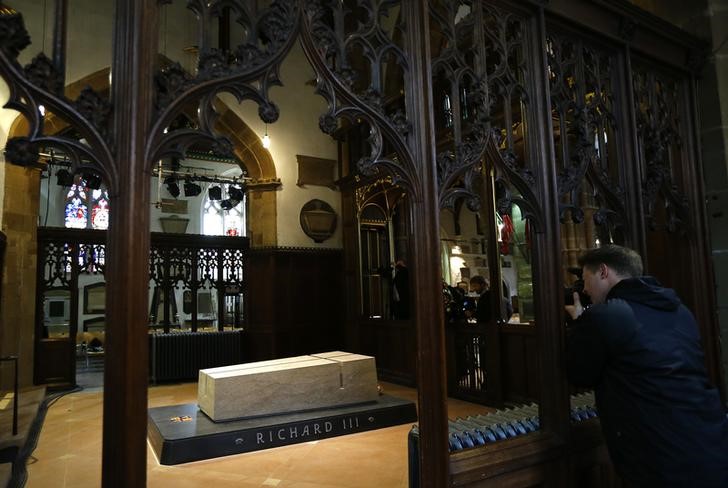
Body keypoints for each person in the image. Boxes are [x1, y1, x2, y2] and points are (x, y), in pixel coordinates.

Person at [565, 245, 728, 488]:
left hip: (660, 456)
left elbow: (579, 372)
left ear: (603, 272)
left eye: (586, 279)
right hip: (710, 440)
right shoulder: (679, 309)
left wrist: (580, 323)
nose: (585, 289)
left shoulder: (609, 315)